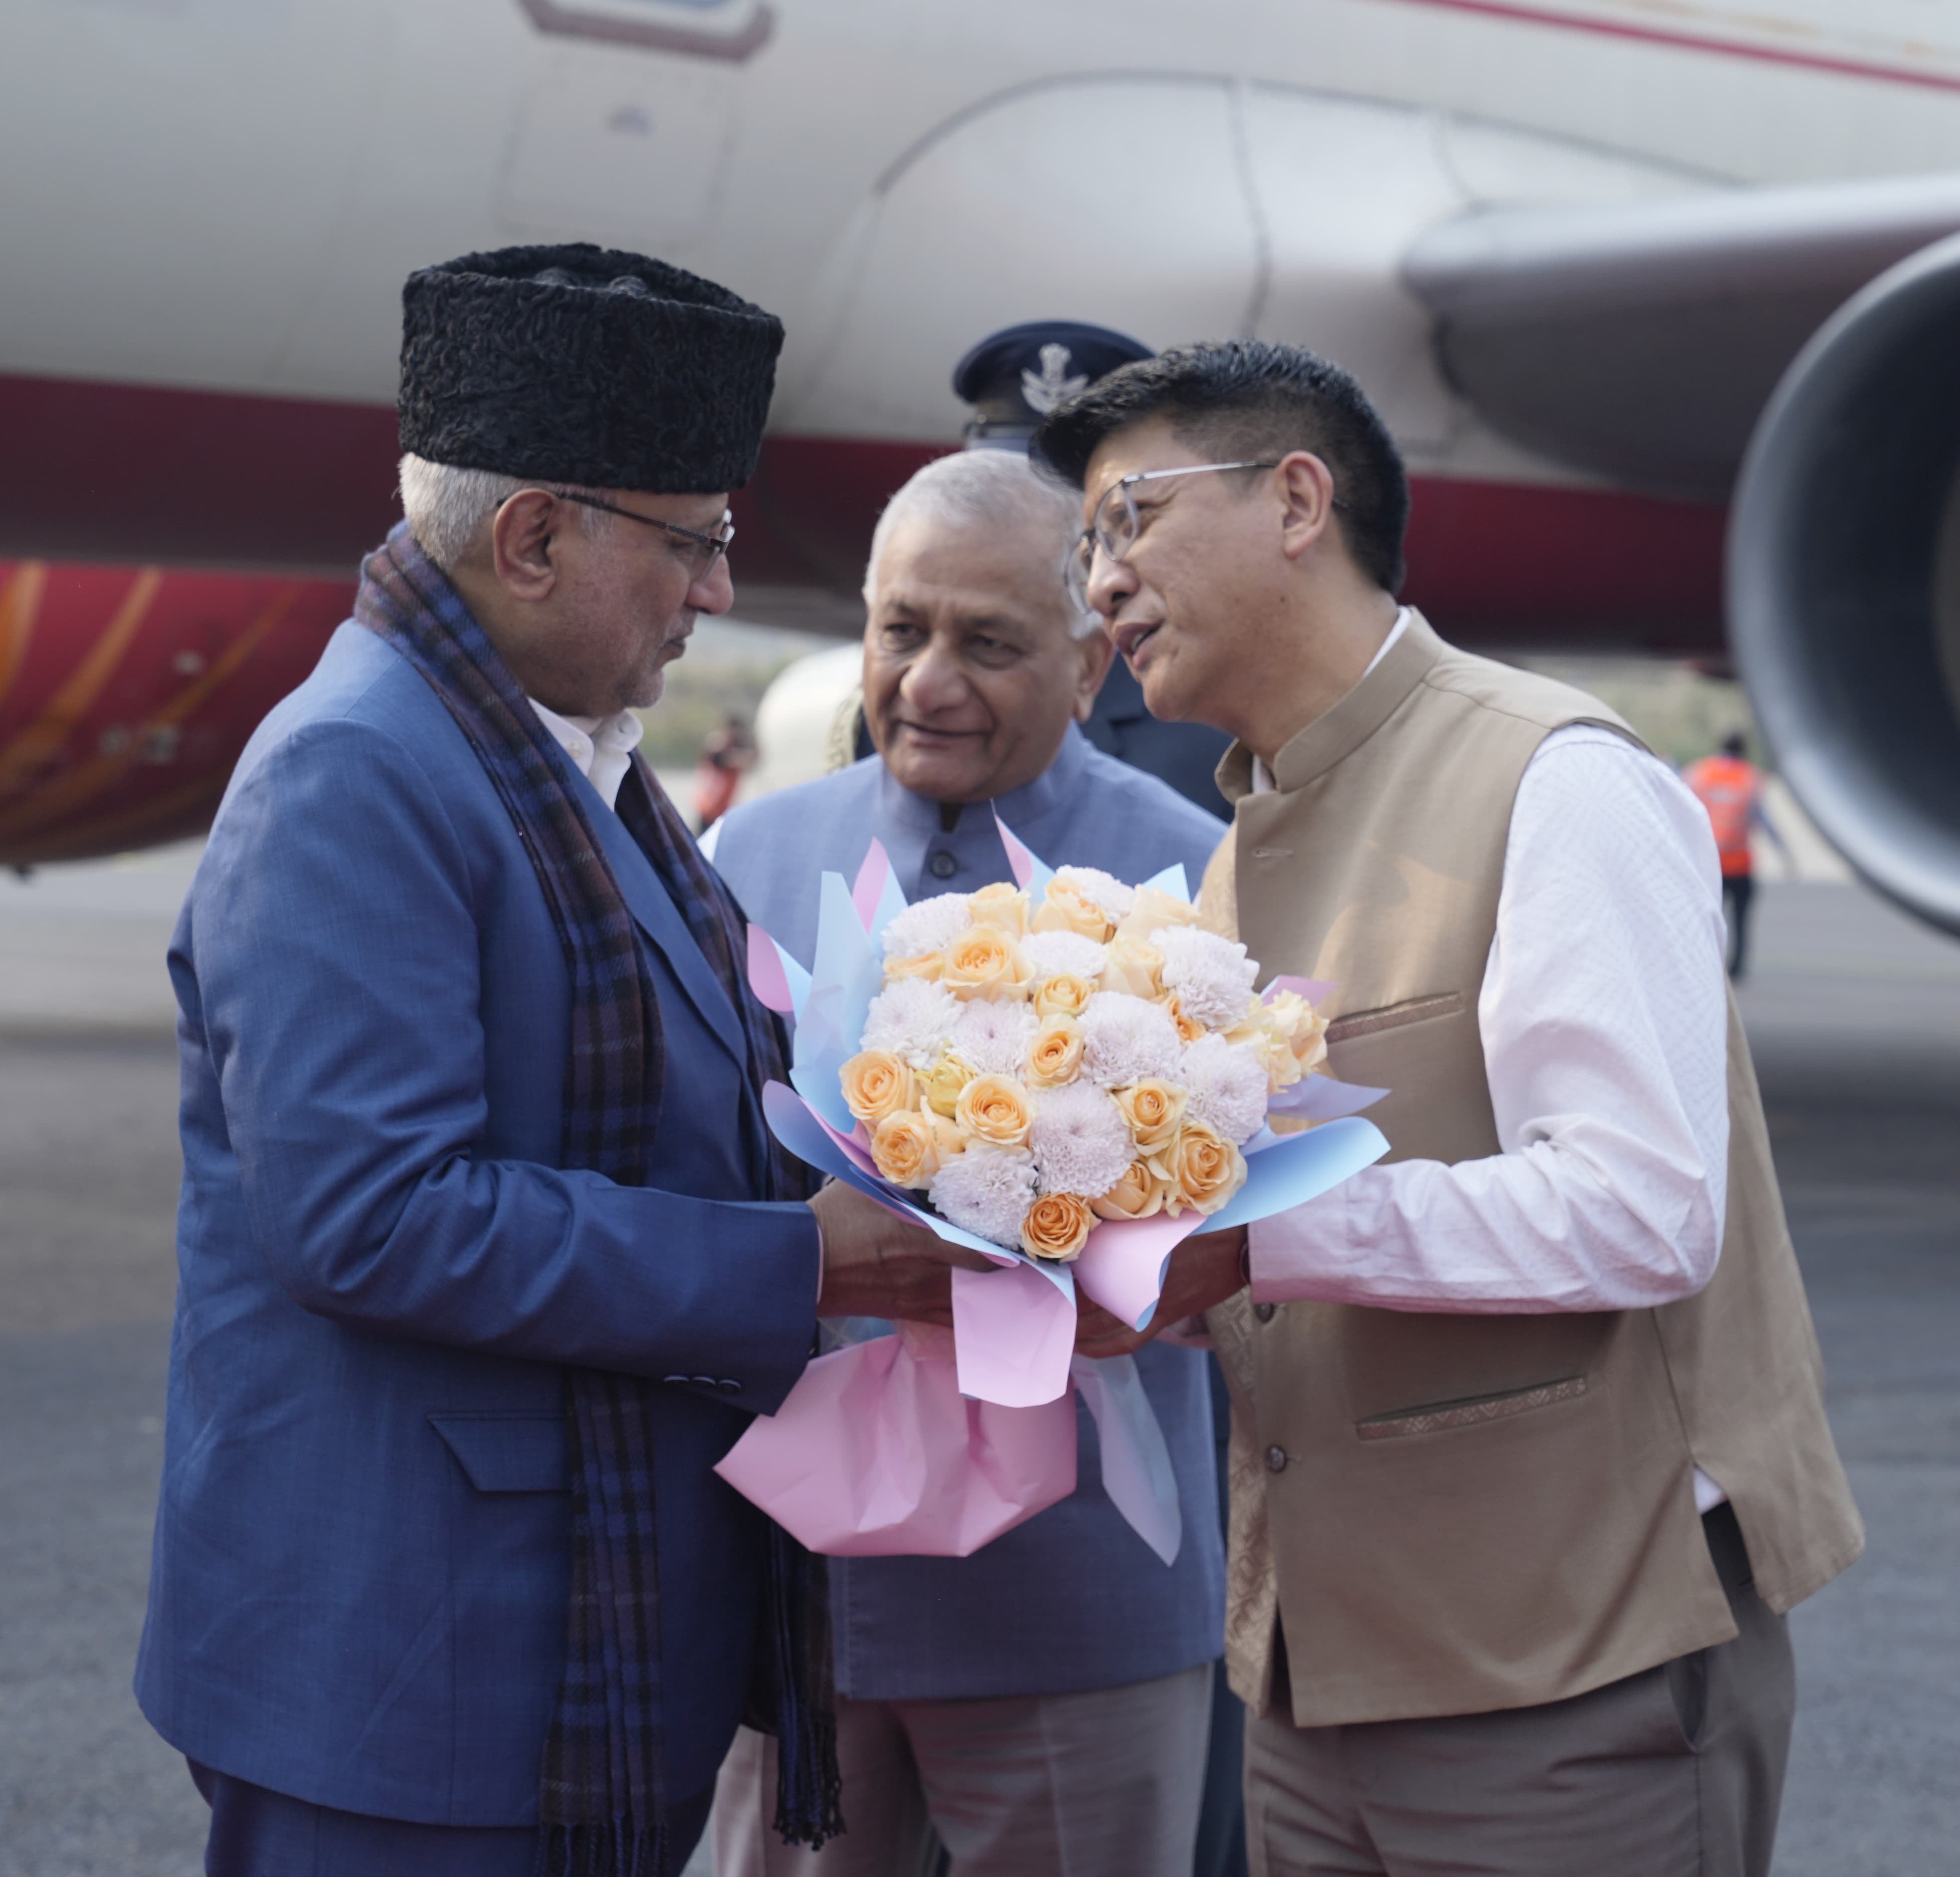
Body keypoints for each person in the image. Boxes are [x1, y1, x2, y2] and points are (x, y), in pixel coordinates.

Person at [133, 243, 984, 1877]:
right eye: (698, 542)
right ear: (533, 535)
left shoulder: (560, 755)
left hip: (567, 1651)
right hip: (407, 1666)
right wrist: (807, 1255)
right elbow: (370, 1215)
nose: (721, 591)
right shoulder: (357, 774)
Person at [1039, 341, 1863, 1877]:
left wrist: (1247, 1245)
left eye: (1130, 518)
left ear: (1296, 500)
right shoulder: (1240, 846)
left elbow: (1638, 1207)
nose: (1100, 581)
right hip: (1312, 1676)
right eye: (1089, 542)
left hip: (1567, 1671)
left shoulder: (1549, 778)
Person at [705, 447, 1230, 1877]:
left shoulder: (1188, 885)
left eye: (987, 645)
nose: (928, 682)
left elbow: (1241, 1244)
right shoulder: (743, 859)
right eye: (899, 630)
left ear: (1085, 666)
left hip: (1075, 1592)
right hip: (796, 1584)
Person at [1683, 731, 1789, 979]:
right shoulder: (1751, 778)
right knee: (1740, 921)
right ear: (1745, 750)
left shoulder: (1699, 773)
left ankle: (1705, 966)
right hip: (1740, 862)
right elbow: (1762, 819)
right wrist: (1784, 853)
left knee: (1705, 922)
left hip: (1707, 863)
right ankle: (1737, 969)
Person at [696, 710, 757, 830]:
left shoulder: (737, 748)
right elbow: (725, 758)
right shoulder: (718, 747)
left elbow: (752, 760)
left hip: (723, 810)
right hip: (710, 808)